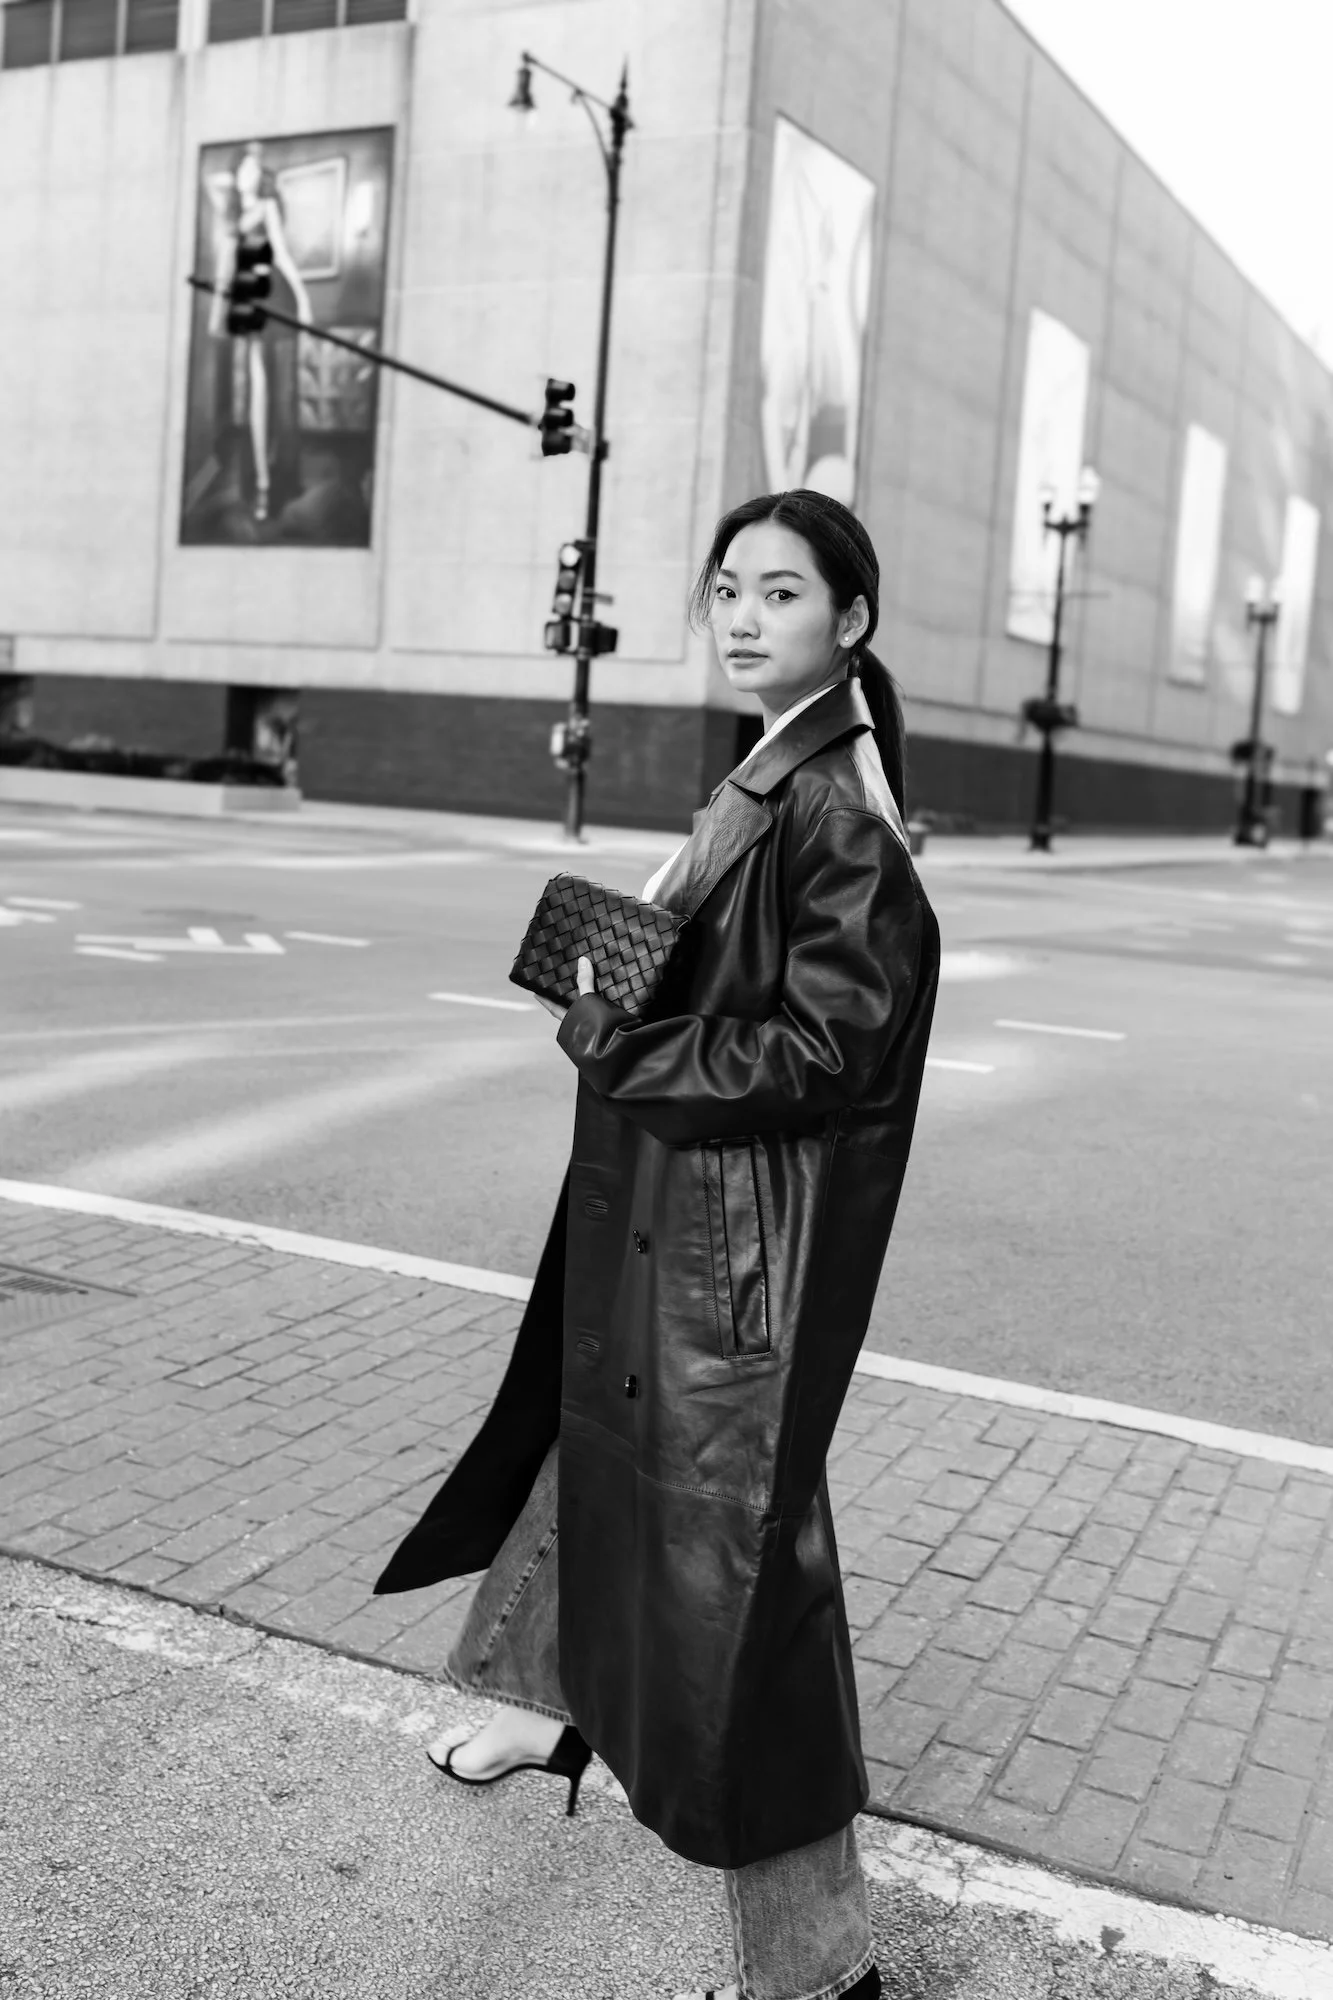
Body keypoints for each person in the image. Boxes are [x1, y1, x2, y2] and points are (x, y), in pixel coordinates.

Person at [374, 489, 941, 2000]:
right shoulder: (771, 772)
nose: (745, 617)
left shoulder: (839, 816)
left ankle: (818, 1973)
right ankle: (541, 1694)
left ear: (850, 621)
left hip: (734, 1275)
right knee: (608, 1474)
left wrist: (623, 1040)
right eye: (725, 591)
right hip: (679, 1236)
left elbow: (827, 1059)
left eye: (781, 593)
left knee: (742, 1601)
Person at [205, 142, 312, 527]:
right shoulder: (232, 219)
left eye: (254, 169)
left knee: (282, 396)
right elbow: (224, 272)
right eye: (242, 168)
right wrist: (217, 315)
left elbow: (282, 255)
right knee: (256, 397)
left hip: (277, 301)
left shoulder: (267, 208)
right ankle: (260, 483)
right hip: (249, 304)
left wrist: (303, 300)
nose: (247, 175)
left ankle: (283, 479)